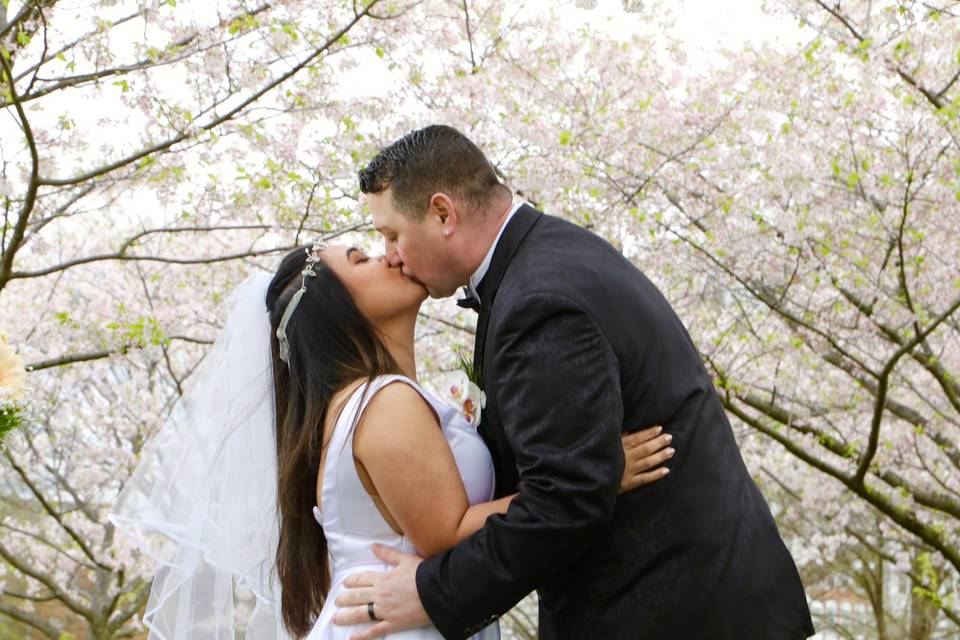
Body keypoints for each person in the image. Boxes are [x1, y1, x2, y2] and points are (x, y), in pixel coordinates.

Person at [332, 125, 816, 639]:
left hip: (668, 611)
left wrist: (434, 591)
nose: (391, 255)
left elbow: (565, 502)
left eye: (391, 235)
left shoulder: (537, 301)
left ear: (443, 214)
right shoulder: (552, 256)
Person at [108, 239, 673, 639]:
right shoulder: (383, 401)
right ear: (337, 308)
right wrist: (593, 473)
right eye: (362, 258)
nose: (387, 255)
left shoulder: (373, 400)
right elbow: (444, 532)